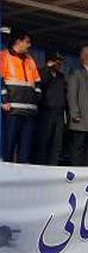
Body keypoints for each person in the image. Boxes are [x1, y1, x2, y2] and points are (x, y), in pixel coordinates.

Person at [1, 30, 43, 163]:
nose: (29, 45)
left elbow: (37, 81)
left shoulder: (30, 60)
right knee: (9, 147)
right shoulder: (4, 56)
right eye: (27, 42)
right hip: (12, 109)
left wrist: (37, 96)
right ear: (18, 42)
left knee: (25, 151)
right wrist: (4, 100)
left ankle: (22, 179)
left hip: (29, 111)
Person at [67, 44, 88, 165]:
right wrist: (75, 113)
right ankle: (76, 173)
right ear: (87, 57)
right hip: (80, 119)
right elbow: (72, 94)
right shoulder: (76, 73)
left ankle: (86, 174)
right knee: (78, 148)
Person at [35, 53, 67, 165]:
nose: (59, 65)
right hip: (45, 113)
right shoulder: (42, 73)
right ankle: (40, 168)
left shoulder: (61, 77)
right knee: (43, 142)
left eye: (60, 63)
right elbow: (40, 84)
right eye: (57, 62)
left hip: (58, 114)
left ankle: (53, 167)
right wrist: (47, 69)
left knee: (56, 144)